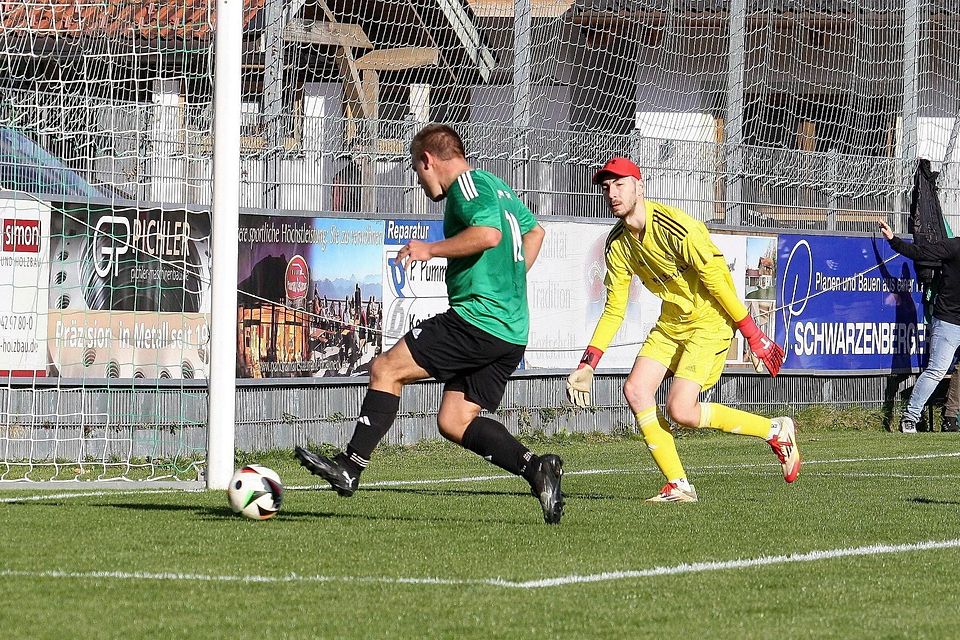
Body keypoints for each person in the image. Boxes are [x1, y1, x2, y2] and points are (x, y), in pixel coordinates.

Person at [295, 123, 564, 523]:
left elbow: (489, 235)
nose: (421, 183)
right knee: (454, 421)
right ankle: (536, 469)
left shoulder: (467, 187)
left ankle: (351, 466)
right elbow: (536, 232)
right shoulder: (497, 185)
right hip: (511, 331)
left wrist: (430, 249)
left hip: (478, 320)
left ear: (428, 160)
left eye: (417, 171)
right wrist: (508, 281)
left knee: (386, 369)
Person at [565, 157, 801, 502]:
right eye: (606, 187)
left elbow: (719, 283)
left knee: (681, 410)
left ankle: (775, 430)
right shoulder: (617, 244)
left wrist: (753, 333)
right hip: (672, 321)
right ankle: (678, 485)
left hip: (709, 321)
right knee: (636, 390)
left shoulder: (678, 228)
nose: (612, 193)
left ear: (639, 187)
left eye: (620, 184)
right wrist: (588, 363)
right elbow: (614, 308)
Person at [879, 219, 960, 433]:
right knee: (936, 371)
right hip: (948, 322)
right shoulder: (953, 246)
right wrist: (893, 241)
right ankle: (910, 417)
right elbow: (920, 252)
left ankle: (950, 418)